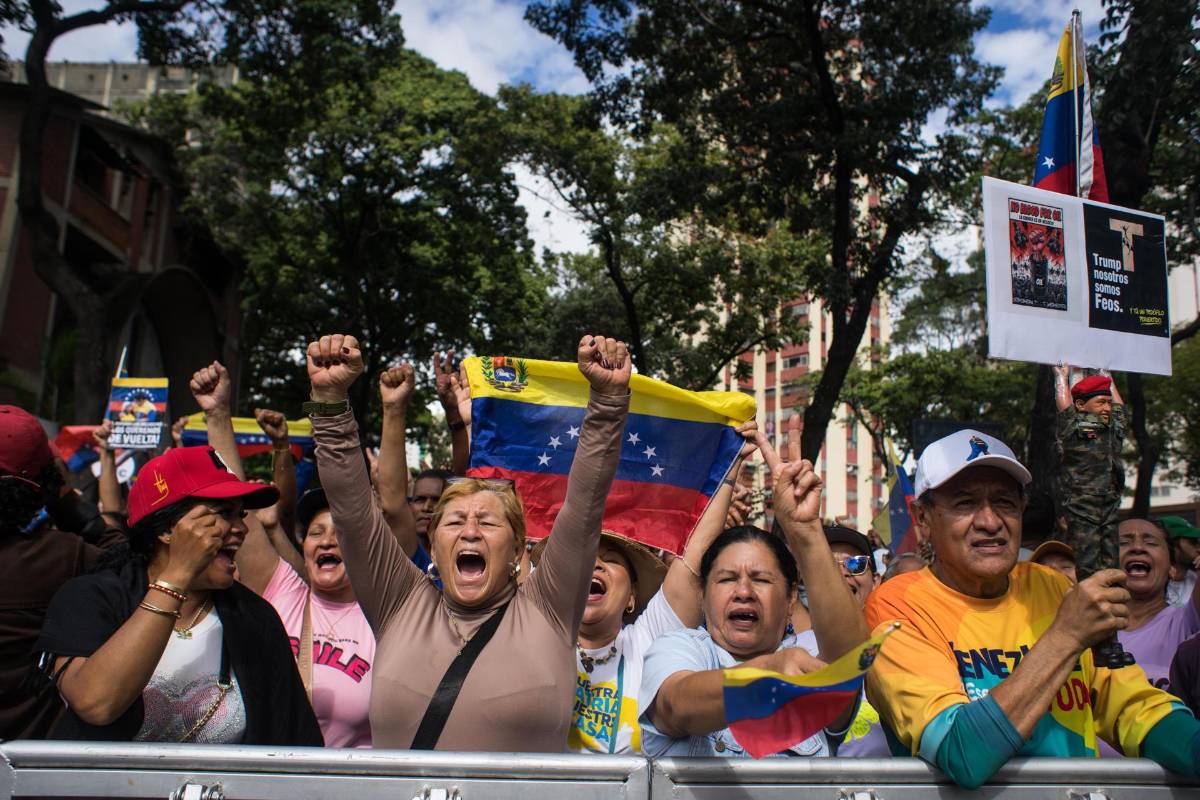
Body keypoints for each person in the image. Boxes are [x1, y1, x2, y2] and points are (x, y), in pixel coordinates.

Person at [306, 332, 630, 751]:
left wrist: (606, 402)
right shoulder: (399, 602)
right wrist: (329, 402)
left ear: (517, 550)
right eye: (455, 521)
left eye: (489, 524)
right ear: (433, 545)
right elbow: (351, 511)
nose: (471, 531)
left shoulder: (549, 606)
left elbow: (584, 509)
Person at [866, 428, 1200, 789]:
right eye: (965, 503)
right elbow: (961, 752)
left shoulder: (1052, 588)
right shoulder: (897, 605)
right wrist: (1065, 637)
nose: (990, 522)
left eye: (1005, 502)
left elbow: (1132, 706)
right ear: (923, 519)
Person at [35, 444, 322, 744]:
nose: (240, 529)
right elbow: (95, 704)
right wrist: (176, 578)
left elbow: (292, 742)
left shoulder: (255, 619)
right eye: (223, 514)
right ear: (167, 529)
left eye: (241, 514)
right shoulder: (90, 598)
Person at [637, 416, 869, 758]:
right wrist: (766, 676)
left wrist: (804, 530)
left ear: (791, 598)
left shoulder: (805, 663)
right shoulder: (679, 648)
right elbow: (678, 705)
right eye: (727, 579)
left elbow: (849, 662)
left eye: (761, 579)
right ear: (702, 594)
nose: (743, 591)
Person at [534, 424, 757, 755]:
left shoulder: (649, 640)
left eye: (610, 560)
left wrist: (727, 468)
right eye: (584, 560)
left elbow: (694, 559)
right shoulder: (530, 632)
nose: (594, 566)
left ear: (633, 597)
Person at [187, 360, 373, 748]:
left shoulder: (385, 615)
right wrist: (218, 415)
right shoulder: (284, 591)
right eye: (315, 532)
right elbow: (243, 510)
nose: (324, 541)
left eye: (340, 534)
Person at [0, 406, 124, 740]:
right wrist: (69, 506)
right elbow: (130, 562)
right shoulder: (61, 557)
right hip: (28, 768)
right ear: (44, 486)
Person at [823, 524, 889, 757]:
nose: (843, 573)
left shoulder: (901, 648)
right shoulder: (790, 650)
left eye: (856, 564)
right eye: (828, 566)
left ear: (876, 580)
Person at [1116, 517, 1200, 691]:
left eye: (1151, 543)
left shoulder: (1186, 622)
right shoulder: (1089, 631)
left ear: (1172, 569)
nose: (1137, 548)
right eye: (1123, 542)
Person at [1163, 516, 1200, 608]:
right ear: (1171, 545)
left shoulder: (1196, 579)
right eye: (1193, 542)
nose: (1199, 548)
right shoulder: (1151, 583)